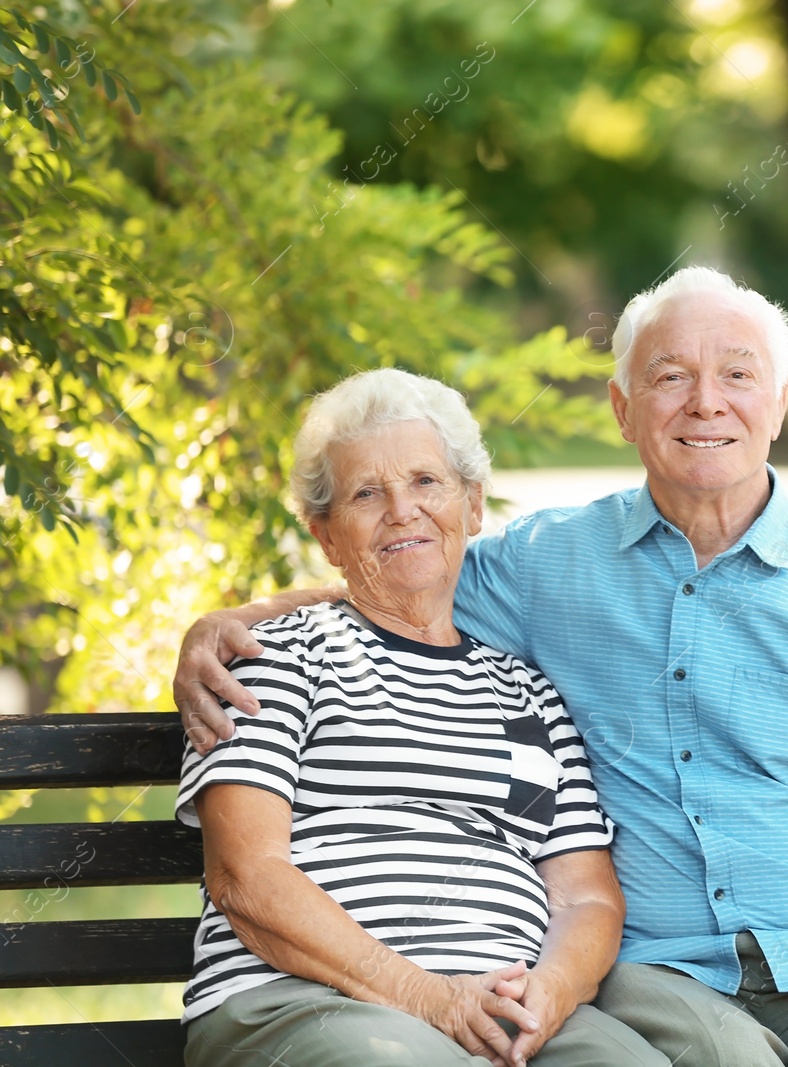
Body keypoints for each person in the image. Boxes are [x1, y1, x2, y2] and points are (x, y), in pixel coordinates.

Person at [176, 267, 788, 1067]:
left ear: (776, 403)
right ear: (623, 407)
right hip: (659, 971)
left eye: (737, 375)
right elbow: (400, 564)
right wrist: (232, 624)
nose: (706, 403)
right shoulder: (546, 565)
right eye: (670, 377)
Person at [176, 370, 667, 1067]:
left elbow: (586, 897)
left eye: (426, 483)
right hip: (308, 1001)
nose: (402, 510)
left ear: (471, 505)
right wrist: (430, 996)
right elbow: (247, 877)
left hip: (502, 1010)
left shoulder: (528, 694)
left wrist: (549, 992)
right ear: (327, 536)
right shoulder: (273, 657)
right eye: (366, 493)